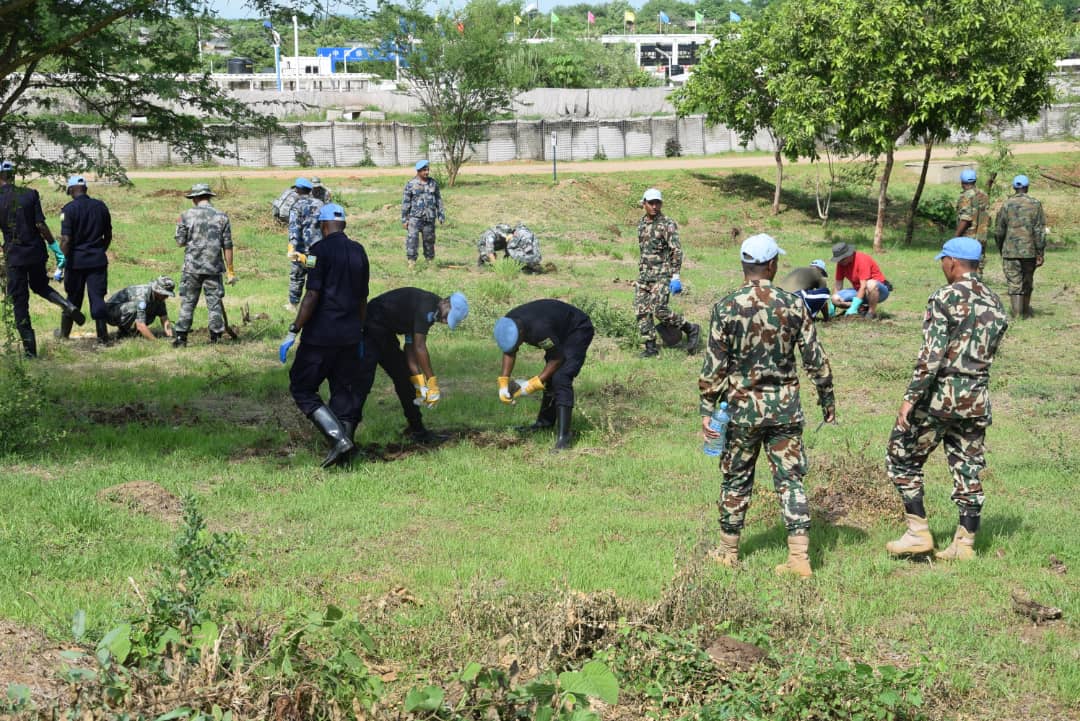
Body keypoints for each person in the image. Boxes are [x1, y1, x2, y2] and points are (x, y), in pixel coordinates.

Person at [699, 234, 836, 578]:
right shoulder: (793, 305)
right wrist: (827, 400)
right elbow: (816, 360)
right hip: (785, 411)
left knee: (736, 479)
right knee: (791, 480)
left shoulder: (726, 307)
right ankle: (799, 557)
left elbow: (713, 369)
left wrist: (707, 412)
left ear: (744, 265)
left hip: (742, 412)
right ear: (773, 265)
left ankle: (728, 552)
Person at [885, 237, 1008, 561]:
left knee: (901, 455)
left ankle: (917, 533)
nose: (942, 266)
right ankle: (964, 545)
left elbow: (932, 356)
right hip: (976, 398)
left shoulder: (944, 297)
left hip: (941, 397)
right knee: (967, 467)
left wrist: (910, 399)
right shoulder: (995, 301)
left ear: (953, 262)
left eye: (943, 260)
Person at [279, 204, 369, 468]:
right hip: (351, 335)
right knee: (343, 391)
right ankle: (346, 452)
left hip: (321, 336)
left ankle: (339, 440)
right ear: (344, 225)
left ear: (323, 225)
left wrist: (293, 330)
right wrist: (360, 331)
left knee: (302, 386)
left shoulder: (319, 252)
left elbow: (312, 294)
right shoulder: (359, 251)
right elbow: (363, 297)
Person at [358, 287, 470, 444]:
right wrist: (432, 383)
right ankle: (344, 434)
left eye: (448, 321)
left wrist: (419, 382)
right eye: (447, 317)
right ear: (445, 301)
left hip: (385, 332)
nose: (444, 321)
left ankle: (417, 430)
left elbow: (410, 347)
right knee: (362, 382)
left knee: (404, 378)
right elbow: (420, 347)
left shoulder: (433, 312)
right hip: (372, 324)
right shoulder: (427, 308)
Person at [0, 161, 85, 357]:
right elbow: (40, 224)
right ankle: (67, 305)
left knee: (20, 302)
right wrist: (54, 247)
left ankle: (31, 353)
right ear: (13, 175)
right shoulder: (30, 194)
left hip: (15, 256)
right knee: (40, 286)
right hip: (36, 251)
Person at [493, 299, 594, 451]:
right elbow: (509, 350)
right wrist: (503, 382)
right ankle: (544, 424)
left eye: (517, 343)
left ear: (522, 334)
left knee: (561, 377)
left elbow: (557, 358)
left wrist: (533, 384)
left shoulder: (539, 330)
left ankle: (564, 438)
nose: (517, 347)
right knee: (552, 376)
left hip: (577, 329)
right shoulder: (509, 324)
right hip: (557, 328)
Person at [635, 188, 699, 358]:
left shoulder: (667, 224)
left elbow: (676, 250)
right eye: (651, 203)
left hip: (662, 275)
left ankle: (690, 328)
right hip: (644, 275)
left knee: (658, 308)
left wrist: (675, 276)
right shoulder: (641, 224)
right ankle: (650, 347)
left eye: (658, 203)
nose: (655, 206)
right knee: (641, 310)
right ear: (644, 204)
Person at [172, 183, 235, 347]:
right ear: (208, 197)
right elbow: (227, 245)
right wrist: (230, 271)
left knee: (188, 302)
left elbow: (180, 242)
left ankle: (181, 338)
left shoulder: (185, 216)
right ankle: (216, 337)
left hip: (192, 268)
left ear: (195, 198)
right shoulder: (222, 217)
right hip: (214, 267)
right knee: (214, 302)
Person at [59, 175, 112, 344]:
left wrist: (61, 263)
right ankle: (103, 337)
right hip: (97, 260)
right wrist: (98, 250)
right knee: (97, 297)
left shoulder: (68, 210)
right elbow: (108, 235)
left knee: (73, 298)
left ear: (71, 190)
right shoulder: (101, 207)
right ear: (85, 189)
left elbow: (66, 240)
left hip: (75, 262)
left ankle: (64, 335)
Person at [994, 174, 1045, 319]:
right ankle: (1026, 311)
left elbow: (999, 230)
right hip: (1030, 252)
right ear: (1027, 187)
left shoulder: (1006, 204)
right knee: (1027, 280)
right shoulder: (1035, 204)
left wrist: (1001, 247)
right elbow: (1039, 230)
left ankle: (1017, 314)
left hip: (1010, 251)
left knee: (1014, 282)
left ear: (1014, 188)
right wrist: (1040, 252)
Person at [286, 177, 324, 312]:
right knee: (316, 274)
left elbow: (294, 228)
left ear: (297, 190)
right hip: (318, 248)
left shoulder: (296, 206)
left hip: (302, 250)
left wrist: (291, 248)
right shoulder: (320, 204)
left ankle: (293, 305)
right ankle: (318, 302)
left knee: (297, 276)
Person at [401, 159, 445, 269]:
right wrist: (404, 219)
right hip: (415, 218)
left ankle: (429, 261)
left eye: (427, 170)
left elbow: (438, 199)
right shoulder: (411, 184)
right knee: (413, 240)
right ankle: (411, 262)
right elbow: (406, 202)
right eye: (424, 170)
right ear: (418, 171)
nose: (426, 172)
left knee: (429, 240)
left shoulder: (433, 183)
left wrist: (441, 214)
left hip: (429, 217)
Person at [829, 241, 891, 319]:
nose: (840, 262)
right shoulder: (841, 264)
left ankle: (871, 313)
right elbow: (838, 285)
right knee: (835, 298)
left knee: (870, 284)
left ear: (849, 255)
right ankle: (861, 309)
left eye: (842, 259)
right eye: (838, 260)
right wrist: (833, 305)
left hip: (878, 292)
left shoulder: (861, 259)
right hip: (860, 291)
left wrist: (853, 307)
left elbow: (864, 286)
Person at [104, 276, 175, 340]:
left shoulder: (159, 298)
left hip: (123, 312)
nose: (167, 297)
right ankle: (123, 331)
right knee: (135, 307)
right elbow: (140, 325)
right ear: (157, 290)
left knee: (152, 309)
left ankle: (134, 333)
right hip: (111, 313)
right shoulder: (141, 296)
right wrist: (156, 342)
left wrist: (170, 336)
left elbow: (164, 319)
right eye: (164, 294)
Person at [954, 168, 990, 269]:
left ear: (962, 182)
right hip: (981, 238)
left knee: (965, 267)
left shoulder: (965, 196)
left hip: (968, 239)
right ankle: (977, 283)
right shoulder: (984, 195)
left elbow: (965, 219)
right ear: (975, 181)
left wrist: (955, 237)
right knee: (978, 266)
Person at [477, 222, 543, 272]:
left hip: (498, 243)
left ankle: (508, 259)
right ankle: (481, 260)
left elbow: (512, 245)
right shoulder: (490, 235)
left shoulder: (506, 234)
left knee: (510, 247)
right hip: (485, 246)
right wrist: (497, 267)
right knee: (489, 256)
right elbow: (490, 251)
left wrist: (510, 257)